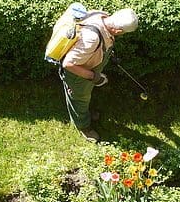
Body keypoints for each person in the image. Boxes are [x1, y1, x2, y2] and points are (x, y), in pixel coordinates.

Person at [59, 8, 138, 142]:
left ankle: (85, 114)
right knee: (79, 99)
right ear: (118, 31)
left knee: (85, 97)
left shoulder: (101, 15)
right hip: (78, 77)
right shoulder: (92, 39)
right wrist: (94, 77)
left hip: (87, 70)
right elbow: (69, 63)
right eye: (122, 33)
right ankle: (83, 126)